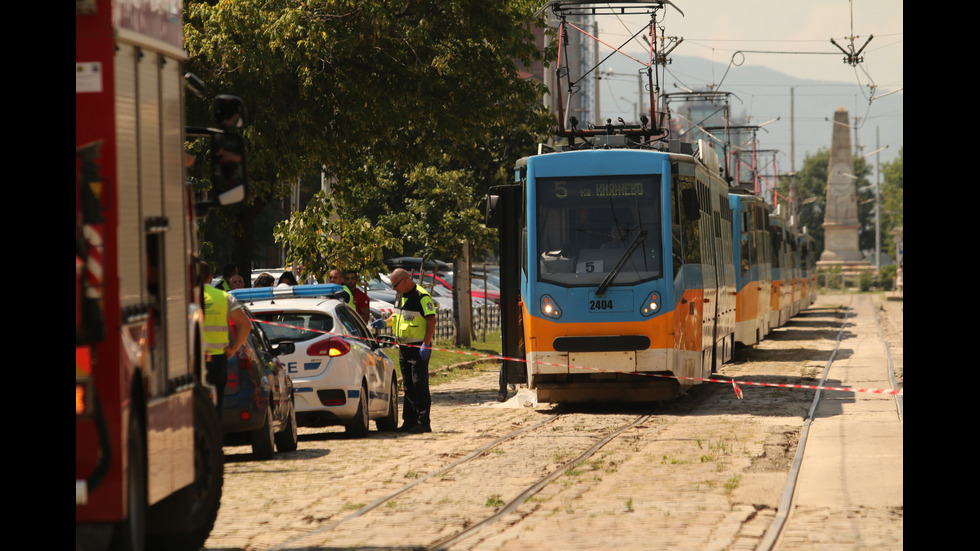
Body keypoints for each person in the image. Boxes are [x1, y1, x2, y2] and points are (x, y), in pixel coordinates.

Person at [199, 261, 251, 415]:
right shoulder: (223, 297)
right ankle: (215, 434)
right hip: (217, 359)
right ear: (210, 277)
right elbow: (245, 325)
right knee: (216, 405)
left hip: (193, 361)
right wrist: (233, 348)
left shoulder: (184, 297)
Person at [388, 268, 436, 433]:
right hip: (403, 348)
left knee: (419, 385)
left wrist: (426, 343)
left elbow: (431, 319)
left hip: (418, 348)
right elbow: (397, 316)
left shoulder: (421, 296)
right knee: (408, 385)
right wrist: (384, 322)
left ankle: (423, 422)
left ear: (406, 280)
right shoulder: (400, 295)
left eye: (395, 285)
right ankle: (409, 421)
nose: (394, 289)